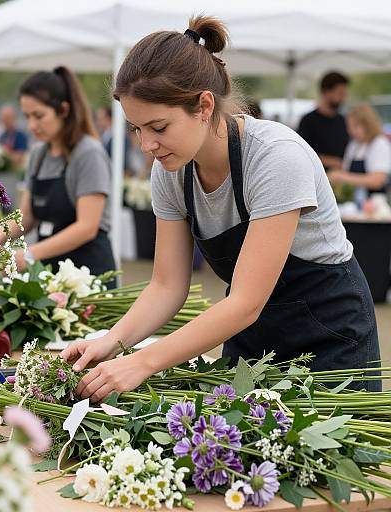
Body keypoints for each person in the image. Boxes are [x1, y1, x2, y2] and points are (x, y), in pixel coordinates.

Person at [61, 15, 381, 401]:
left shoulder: (276, 158)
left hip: (331, 341)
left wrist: (143, 362)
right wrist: (110, 342)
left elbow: (246, 302)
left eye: (158, 127)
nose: (147, 145)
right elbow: (166, 285)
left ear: (204, 106)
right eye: (136, 129)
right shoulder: (171, 172)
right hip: (252, 342)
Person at [0, 67, 116, 279]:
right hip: (48, 271)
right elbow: (26, 217)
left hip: (87, 274)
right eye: (27, 116)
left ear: (63, 110)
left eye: (39, 116)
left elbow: (87, 226)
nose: (32, 125)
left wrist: (29, 254)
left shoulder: (88, 153)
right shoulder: (38, 154)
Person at [328, 104, 391, 204]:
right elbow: (346, 170)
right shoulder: (354, 145)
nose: (352, 131)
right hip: (354, 204)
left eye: (356, 126)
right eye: (349, 127)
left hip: (375, 205)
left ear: (368, 125)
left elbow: (377, 180)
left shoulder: (380, 144)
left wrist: (342, 177)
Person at [297, 72, 350, 170]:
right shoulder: (308, 121)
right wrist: (331, 161)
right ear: (326, 92)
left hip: (340, 179)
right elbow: (302, 152)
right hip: (316, 179)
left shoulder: (343, 121)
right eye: (340, 93)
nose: (343, 97)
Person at [0, 104, 29, 169]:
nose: (5, 120)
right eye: (3, 117)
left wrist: (5, 153)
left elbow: (20, 158)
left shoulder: (20, 136)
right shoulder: (2, 136)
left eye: (7, 118)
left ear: (14, 118)